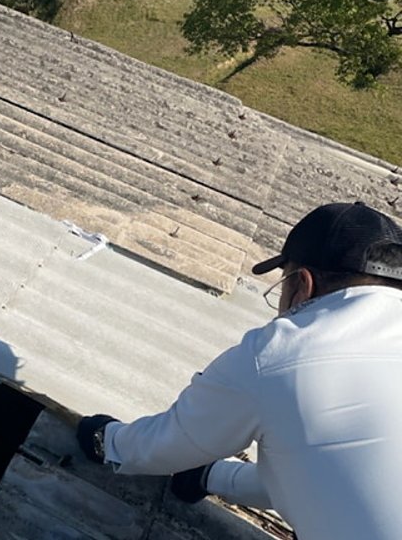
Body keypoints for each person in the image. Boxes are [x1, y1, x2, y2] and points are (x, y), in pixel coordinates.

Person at [76, 201, 402, 540]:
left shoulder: (280, 353)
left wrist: (105, 439)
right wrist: (210, 477)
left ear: (302, 286)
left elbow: (170, 443)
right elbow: (321, 469)